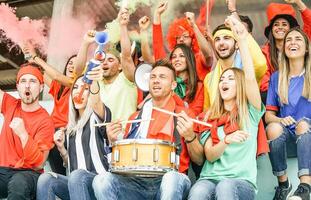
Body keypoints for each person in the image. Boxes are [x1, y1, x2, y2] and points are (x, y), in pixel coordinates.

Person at [92, 59, 195, 200]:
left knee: (171, 179)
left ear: (173, 85)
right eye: (153, 77)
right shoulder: (134, 118)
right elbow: (123, 161)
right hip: (135, 182)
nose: (156, 80)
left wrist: (191, 137)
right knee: (101, 181)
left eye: (162, 77)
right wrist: (113, 140)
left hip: (171, 178)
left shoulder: (183, 114)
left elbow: (199, 159)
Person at [188, 15, 264, 200]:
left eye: (230, 79)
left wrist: (242, 40)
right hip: (209, 178)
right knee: (197, 191)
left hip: (239, 182)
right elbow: (210, 156)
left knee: (225, 187)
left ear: (240, 85)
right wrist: (227, 140)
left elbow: (251, 76)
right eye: (222, 78)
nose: (224, 81)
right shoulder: (210, 117)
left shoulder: (250, 112)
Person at [36, 66, 112, 200]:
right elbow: (70, 164)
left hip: (97, 183)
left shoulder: (96, 116)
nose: (79, 91)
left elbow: (96, 101)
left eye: (85, 88)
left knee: (77, 176)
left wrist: (92, 80)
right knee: (46, 179)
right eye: (75, 88)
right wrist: (61, 148)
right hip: (75, 185)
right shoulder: (70, 128)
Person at [265, 28, 311, 200]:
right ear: (283, 48)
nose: (292, 42)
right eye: (288, 40)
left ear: (306, 48)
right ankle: (284, 185)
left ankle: (305, 186)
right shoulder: (277, 77)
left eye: (298, 39)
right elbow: (269, 116)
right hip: (289, 139)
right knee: (273, 128)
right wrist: (281, 119)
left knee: (303, 124)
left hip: (308, 135)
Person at [0, 63, 54, 200]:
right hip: (3, 171)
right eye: (23, 81)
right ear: (17, 86)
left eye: (33, 81)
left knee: (18, 184)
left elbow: (39, 164)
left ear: (41, 87)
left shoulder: (45, 120)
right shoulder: (11, 104)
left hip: (28, 173)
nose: (27, 85)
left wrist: (24, 135)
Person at [74, 8, 137, 122]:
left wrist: (122, 26)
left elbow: (126, 57)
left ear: (120, 66)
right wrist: (86, 43)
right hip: (100, 136)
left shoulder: (127, 79)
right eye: (103, 60)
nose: (105, 62)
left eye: (111, 60)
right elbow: (78, 71)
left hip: (124, 136)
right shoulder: (97, 80)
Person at [23, 44, 77, 175]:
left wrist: (36, 57)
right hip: (51, 132)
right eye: (70, 63)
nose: (71, 66)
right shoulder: (60, 88)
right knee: (56, 173)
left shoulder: (79, 86)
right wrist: (31, 58)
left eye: (76, 64)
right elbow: (41, 73)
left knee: (70, 172)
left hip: (67, 132)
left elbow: (57, 76)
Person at [260, 0, 311, 102]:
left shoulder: (300, 45)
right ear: (271, 29)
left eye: (284, 24)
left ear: (290, 29)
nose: (280, 27)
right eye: (276, 24)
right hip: (278, 100)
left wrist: (298, 2)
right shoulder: (264, 52)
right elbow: (264, 85)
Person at [153, 2, 213, 81]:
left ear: (193, 39)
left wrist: (193, 26)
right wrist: (157, 15)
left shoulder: (199, 59)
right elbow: (158, 50)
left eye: (185, 36)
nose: (181, 39)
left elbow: (208, 55)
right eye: (178, 37)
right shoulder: (173, 64)